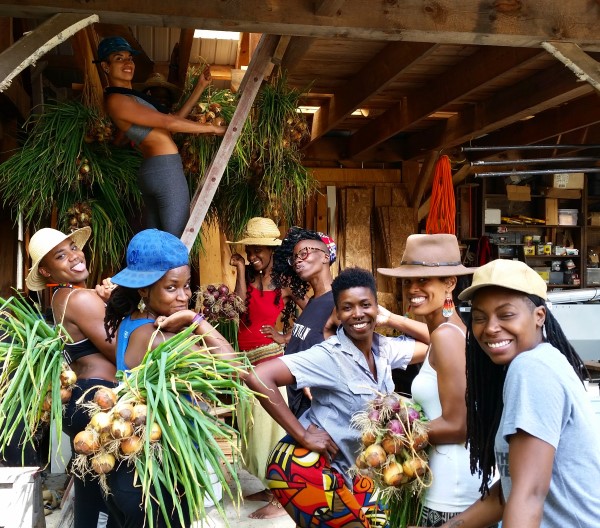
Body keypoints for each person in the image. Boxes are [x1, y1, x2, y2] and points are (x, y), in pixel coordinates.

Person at [243, 267, 429, 527]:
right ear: (338, 313)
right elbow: (258, 377)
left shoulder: (384, 349)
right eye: (347, 307)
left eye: (366, 305)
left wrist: (393, 320)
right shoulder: (329, 355)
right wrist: (302, 434)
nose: (357, 314)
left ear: (377, 307)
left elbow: (434, 342)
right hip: (319, 473)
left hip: (361, 475)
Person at [432, 259, 600, 528]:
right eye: (479, 317)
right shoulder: (538, 362)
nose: (490, 327)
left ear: (539, 316)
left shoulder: (531, 368)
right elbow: (508, 492)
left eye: (506, 314)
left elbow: (528, 496)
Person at [103, 228, 236, 527]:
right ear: (143, 290)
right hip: (158, 473)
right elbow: (232, 367)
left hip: (135, 466)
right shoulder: (159, 337)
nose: (184, 296)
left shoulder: (131, 322)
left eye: (187, 286)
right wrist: (194, 319)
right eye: (172, 287)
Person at [379, 233, 485, 527]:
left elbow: (458, 424)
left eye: (424, 279)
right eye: (408, 280)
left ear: (450, 282)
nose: (413, 288)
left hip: (451, 492)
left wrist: (391, 436)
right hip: (448, 485)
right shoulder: (448, 330)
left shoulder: (445, 336)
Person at [25, 226, 118, 528]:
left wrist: (105, 299)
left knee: (93, 492)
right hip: (98, 401)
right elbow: (124, 353)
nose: (74, 257)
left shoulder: (65, 298)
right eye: (60, 256)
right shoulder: (78, 299)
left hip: (84, 398)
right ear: (47, 269)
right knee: (113, 498)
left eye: (73, 248)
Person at [96, 36, 227, 237]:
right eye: (119, 58)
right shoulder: (117, 100)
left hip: (156, 170)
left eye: (129, 58)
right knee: (177, 244)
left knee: (158, 247)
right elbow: (169, 123)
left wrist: (199, 87)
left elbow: (171, 123)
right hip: (166, 171)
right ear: (106, 66)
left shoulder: (130, 97)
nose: (128, 63)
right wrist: (213, 129)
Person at [227, 217, 299, 519]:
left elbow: (316, 313)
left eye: (258, 250)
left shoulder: (285, 285)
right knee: (253, 431)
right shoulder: (251, 279)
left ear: (272, 251)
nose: (254, 255)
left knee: (272, 431)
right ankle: (270, 487)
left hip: (270, 362)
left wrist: (286, 336)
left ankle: (283, 498)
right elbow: (238, 309)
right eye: (250, 249)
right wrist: (242, 271)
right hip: (246, 362)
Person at [270, 227, 338, 418]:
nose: (298, 259)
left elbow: (354, 353)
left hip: (320, 411)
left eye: (304, 252)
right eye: (294, 257)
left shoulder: (338, 302)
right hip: (299, 407)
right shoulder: (312, 303)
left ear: (325, 257)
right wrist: (284, 338)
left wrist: (318, 379)